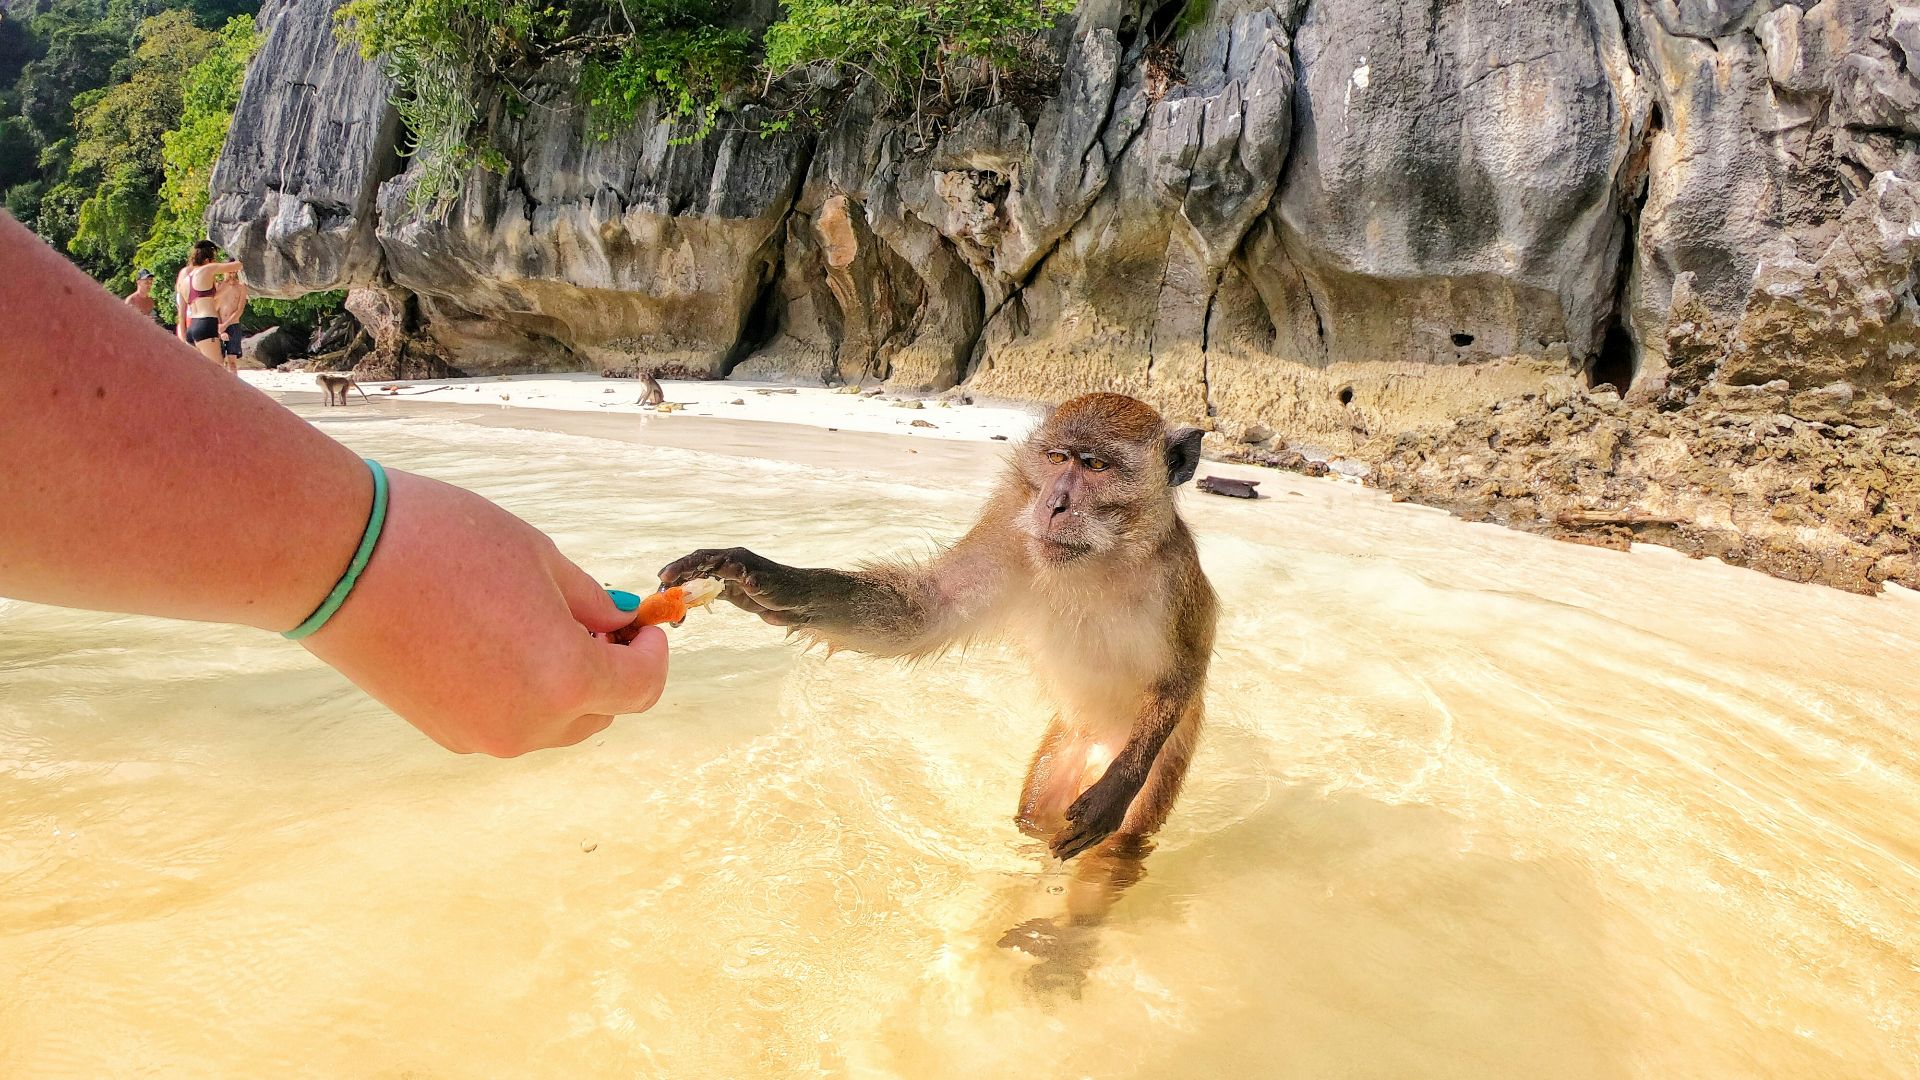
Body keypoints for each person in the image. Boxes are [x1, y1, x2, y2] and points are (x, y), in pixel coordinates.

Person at [0, 212, 669, 756]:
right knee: (224, 383)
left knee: (218, 382)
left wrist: (366, 561)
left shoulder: (183, 280)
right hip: (213, 348)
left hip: (186, 329)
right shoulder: (210, 271)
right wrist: (372, 562)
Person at [176, 240, 244, 370]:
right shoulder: (207, 269)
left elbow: (183, 312)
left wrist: (184, 337)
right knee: (217, 370)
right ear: (207, 260)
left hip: (192, 328)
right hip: (206, 324)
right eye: (214, 260)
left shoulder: (185, 281)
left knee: (200, 371)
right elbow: (238, 265)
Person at [215, 271, 248, 372]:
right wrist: (220, 327)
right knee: (218, 362)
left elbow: (240, 309)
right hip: (218, 325)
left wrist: (226, 325)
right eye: (229, 271)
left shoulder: (241, 287)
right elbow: (214, 308)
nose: (232, 274)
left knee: (232, 363)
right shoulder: (218, 285)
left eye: (234, 271)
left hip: (233, 325)